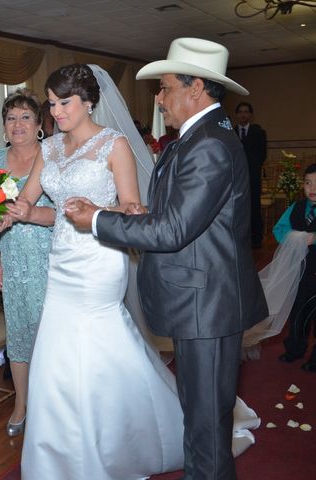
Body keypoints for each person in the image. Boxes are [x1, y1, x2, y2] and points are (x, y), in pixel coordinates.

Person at [65, 38, 268, 479]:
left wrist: (97, 220)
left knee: (206, 428)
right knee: (198, 419)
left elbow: (174, 231)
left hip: (207, 307)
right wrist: (139, 212)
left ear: (195, 89)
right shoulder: (193, 139)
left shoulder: (209, 143)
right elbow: (179, 217)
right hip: (198, 301)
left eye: (165, 87)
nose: (159, 98)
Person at [0, 88, 53, 437]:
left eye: (26, 117)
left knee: (52, 336)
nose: (18, 124)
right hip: (12, 260)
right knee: (19, 335)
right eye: (11, 118)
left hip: (51, 258)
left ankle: (53, 404)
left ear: (40, 123)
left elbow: (67, 214)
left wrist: (33, 215)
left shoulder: (54, 158)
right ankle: (22, 403)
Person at [275, 163, 316, 372]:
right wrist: (296, 238)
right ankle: (294, 349)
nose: (312, 189)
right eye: (308, 183)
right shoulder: (297, 208)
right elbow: (279, 229)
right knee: (298, 312)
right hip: (300, 271)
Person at [236, 102, 267, 249]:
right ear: (237, 115)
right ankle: (240, 238)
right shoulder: (231, 132)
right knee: (238, 209)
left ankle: (257, 238)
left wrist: (252, 169)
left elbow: (262, 155)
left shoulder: (259, 132)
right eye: (240, 112)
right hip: (235, 179)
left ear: (250, 115)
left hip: (253, 178)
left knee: (254, 208)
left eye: (246, 112)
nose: (243, 114)